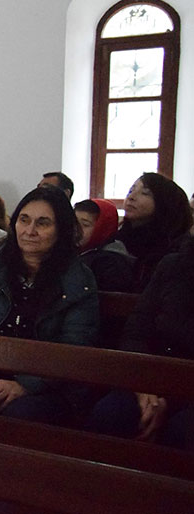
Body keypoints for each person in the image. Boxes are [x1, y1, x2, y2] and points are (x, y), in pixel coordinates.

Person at [0, 186, 99, 425]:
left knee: (21, 414)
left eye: (43, 223)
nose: (30, 231)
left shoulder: (77, 278)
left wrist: (25, 385)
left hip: (50, 384)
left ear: (61, 230)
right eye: (24, 220)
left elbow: (74, 347)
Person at [85, 235, 194, 450]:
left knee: (184, 431)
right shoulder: (173, 265)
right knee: (111, 413)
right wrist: (143, 386)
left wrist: (172, 399)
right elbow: (136, 330)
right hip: (151, 378)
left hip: (187, 390)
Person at [115, 173, 192, 291]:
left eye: (145, 193)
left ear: (164, 203)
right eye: (131, 190)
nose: (131, 197)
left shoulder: (171, 248)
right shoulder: (116, 238)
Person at [73, 199, 134, 293]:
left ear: (103, 227)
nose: (76, 229)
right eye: (75, 223)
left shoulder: (111, 265)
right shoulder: (77, 251)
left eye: (85, 225)